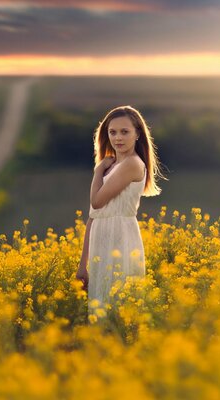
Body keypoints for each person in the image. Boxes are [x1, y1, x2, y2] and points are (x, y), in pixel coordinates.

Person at [76, 105, 166, 319]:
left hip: (120, 238)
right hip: (102, 238)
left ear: (137, 134)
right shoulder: (115, 165)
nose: (118, 138)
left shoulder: (132, 164)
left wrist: (98, 171)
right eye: (112, 132)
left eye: (125, 132)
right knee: (101, 309)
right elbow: (94, 216)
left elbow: (96, 202)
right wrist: (83, 264)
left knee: (117, 309)